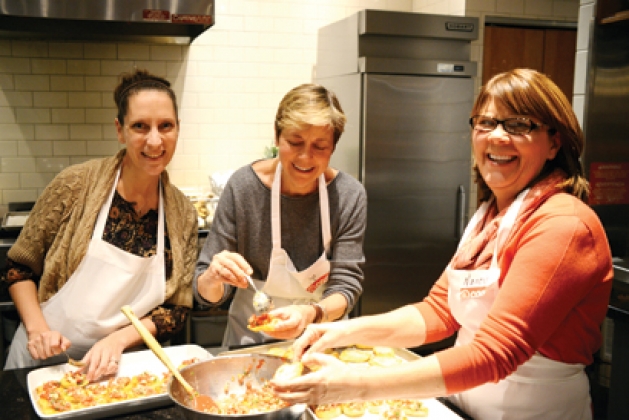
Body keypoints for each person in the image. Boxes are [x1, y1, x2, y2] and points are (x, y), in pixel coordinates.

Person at [271, 69, 613, 420]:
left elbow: (496, 353)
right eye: (486, 122)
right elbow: (439, 312)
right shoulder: (489, 216)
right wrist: (337, 330)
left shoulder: (563, 225)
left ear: (554, 142)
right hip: (463, 406)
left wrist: (356, 382)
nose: (497, 136)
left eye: (519, 124)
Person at [1, 69, 198, 381]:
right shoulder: (75, 185)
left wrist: (117, 340)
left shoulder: (183, 214)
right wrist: (37, 330)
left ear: (178, 129)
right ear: (120, 130)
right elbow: (18, 268)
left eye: (166, 126)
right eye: (140, 127)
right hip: (43, 364)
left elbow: (176, 309)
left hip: (119, 371)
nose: (155, 140)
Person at [194, 83, 367, 347]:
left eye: (320, 146)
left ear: (333, 147)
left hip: (321, 339)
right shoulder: (244, 188)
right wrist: (213, 278)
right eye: (295, 142)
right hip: (252, 341)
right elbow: (208, 293)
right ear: (276, 137)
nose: (305, 157)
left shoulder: (348, 195)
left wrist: (310, 314)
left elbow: (346, 285)